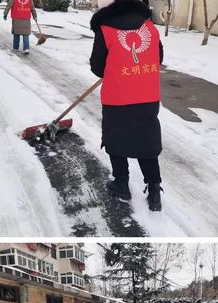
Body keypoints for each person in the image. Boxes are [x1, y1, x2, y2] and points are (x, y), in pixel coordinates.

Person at [90, 0, 164, 212]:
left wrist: (115, 67)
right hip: (147, 97)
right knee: (146, 141)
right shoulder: (149, 27)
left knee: (117, 138)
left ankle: (121, 185)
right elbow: (158, 58)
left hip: (118, 97)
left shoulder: (105, 29)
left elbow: (97, 66)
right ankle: (154, 191)